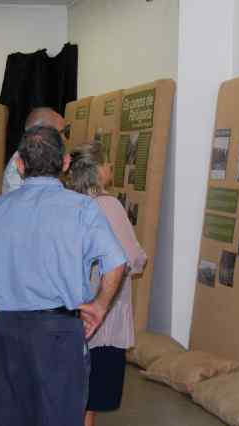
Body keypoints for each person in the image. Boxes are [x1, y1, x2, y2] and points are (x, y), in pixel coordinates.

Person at [0, 126, 127, 426]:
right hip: (60, 332)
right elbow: (117, 261)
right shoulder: (82, 209)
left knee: (11, 415)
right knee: (61, 416)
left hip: (9, 331)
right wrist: (100, 305)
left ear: (19, 164)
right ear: (65, 163)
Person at [67, 142, 147, 426]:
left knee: (72, 394)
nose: (111, 167)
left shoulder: (67, 202)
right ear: (97, 170)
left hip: (71, 311)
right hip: (103, 315)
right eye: (107, 162)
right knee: (90, 400)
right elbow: (131, 258)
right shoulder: (108, 205)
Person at [1, 107, 68, 194]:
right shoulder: (18, 168)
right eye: (61, 132)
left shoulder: (38, 155)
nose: (64, 138)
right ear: (39, 134)